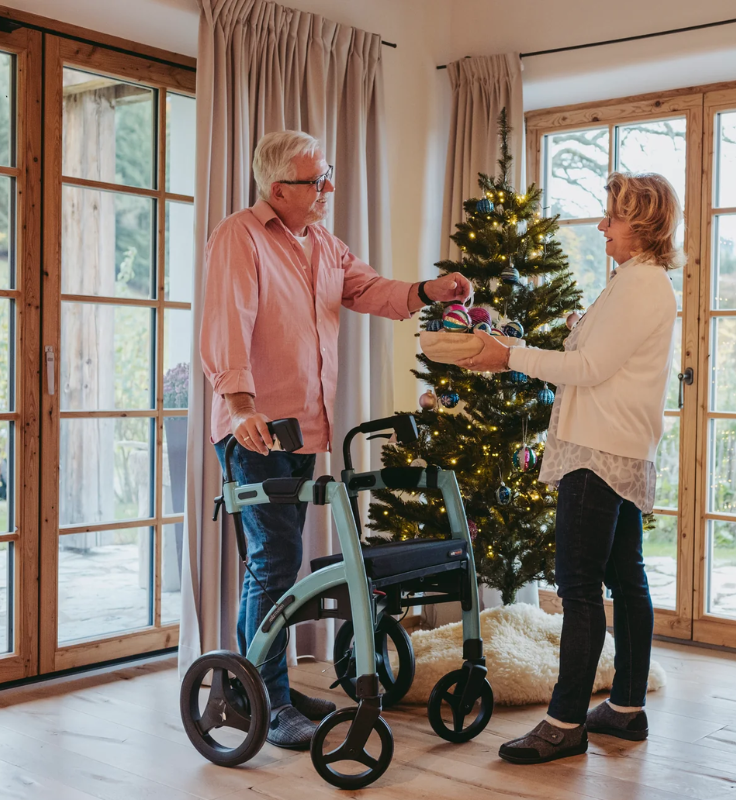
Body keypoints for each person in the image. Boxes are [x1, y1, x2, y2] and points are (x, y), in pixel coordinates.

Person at [200, 131, 471, 749]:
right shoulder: (240, 237)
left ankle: (265, 682)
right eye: (317, 180)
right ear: (278, 190)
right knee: (273, 561)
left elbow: (366, 289)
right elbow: (226, 322)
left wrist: (430, 292)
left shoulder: (321, 241)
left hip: (301, 429)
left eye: (328, 175)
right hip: (257, 429)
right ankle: (261, 698)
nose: (329, 188)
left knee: (277, 560)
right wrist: (240, 403)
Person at [457, 171, 682, 764]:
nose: (603, 226)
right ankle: (626, 709)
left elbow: (588, 368)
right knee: (626, 578)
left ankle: (563, 722)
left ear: (645, 223)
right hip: (619, 449)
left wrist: (507, 355)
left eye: (614, 216)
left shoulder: (640, 286)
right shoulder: (640, 283)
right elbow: (596, 357)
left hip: (598, 451)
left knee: (579, 587)